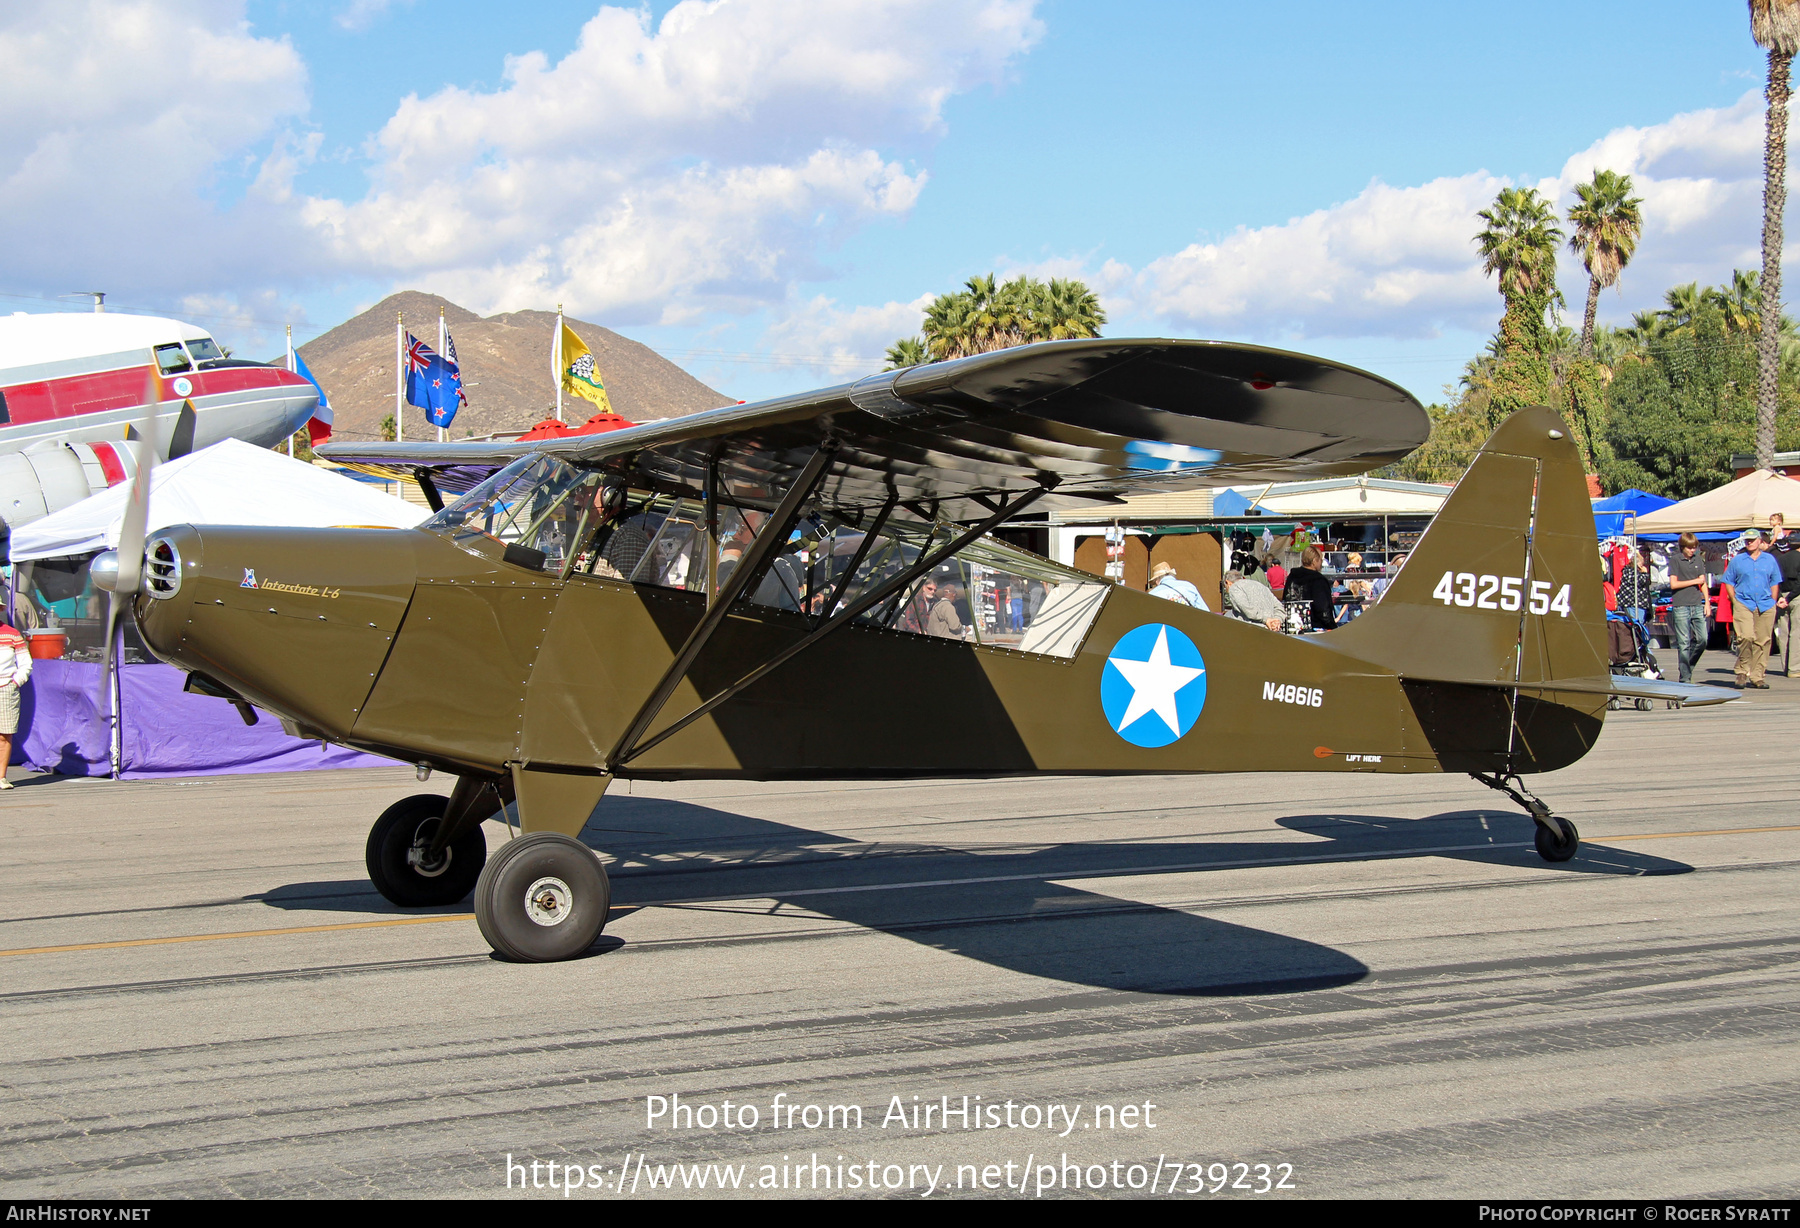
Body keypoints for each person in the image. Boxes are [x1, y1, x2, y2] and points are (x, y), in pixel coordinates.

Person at [1721, 528, 1786, 688]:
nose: (1749, 543)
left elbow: (1774, 581)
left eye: (1752, 540)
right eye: (1747, 540)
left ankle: (1757, 676)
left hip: (1765, 604)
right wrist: (1734, 600)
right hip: (1744, 602)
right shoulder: (1738, 560)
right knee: (1746, 637)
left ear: (1760, 541)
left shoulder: (1769, 560)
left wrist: (1773, 600)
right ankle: (1742, 671)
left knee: (1763, 641)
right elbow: (1728, 580)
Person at [1667, 532, 1710, 685]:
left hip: (1697, 604)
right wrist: (1694, 581)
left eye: (1695, 547)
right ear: (1683, 547)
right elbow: (1674, 584)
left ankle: (1687, 668)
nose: (1693, 550)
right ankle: (1685, 677)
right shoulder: (1675, 560)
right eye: (1690, 548)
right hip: (1681, 605)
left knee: (1703, 639)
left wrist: (1707, 603)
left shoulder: (1698, 559)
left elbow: (1703, 582)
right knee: (1683, 643)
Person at [0, 620, 31, 787]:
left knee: (4, 735)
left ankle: (1, 778)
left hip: (6, 688)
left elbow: (26, 663)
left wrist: (15, 682)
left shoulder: (12, 634)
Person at [1282, 546, 1337, 631]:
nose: (1321, 563)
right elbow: (1323, 608)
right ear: (1314, 561)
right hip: (1316, 627)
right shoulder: (1318, 580)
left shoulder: (1292, 576)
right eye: (1320, 560)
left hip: (1294, 625)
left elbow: (1286, 599)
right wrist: (1332, 626)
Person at [1616, 543, 1653, 626]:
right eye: (1641, 564)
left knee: (1638, 623)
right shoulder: (1630, 571)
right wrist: (1645, 573)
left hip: (1635, 603)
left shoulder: (1629, 571)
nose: (1642, 566)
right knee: (1636, 624)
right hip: (1632, 603)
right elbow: (1640, 581)